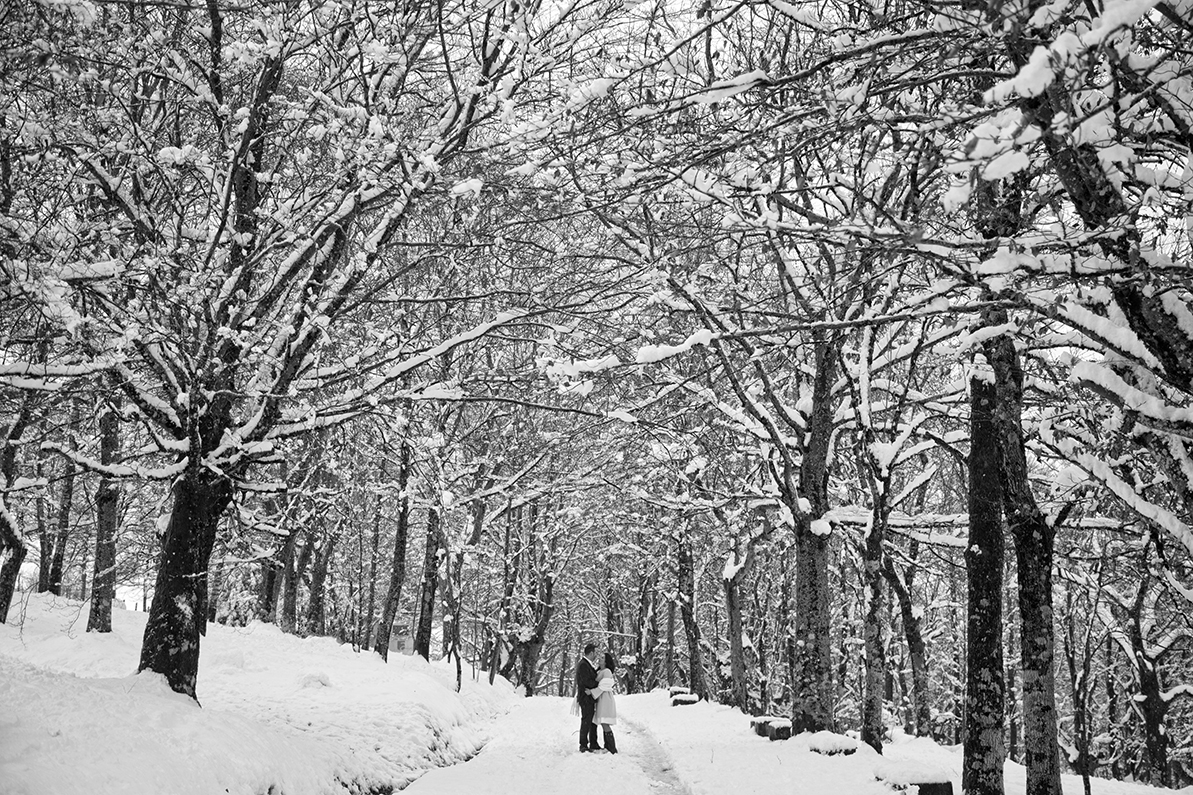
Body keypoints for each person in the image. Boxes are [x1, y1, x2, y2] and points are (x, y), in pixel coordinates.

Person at [572, 642, 601, 752]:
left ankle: (591, 743)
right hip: (586, 698)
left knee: (589, 720)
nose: (596, 656)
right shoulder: (583, 664)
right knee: (586, 721)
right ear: (591, 653)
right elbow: (586, 681)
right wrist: (598, 684)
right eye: (595, 653)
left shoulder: (586, 664)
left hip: (589, 697)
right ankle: (583, 745)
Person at [595, 651, 619, 754]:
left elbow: (604, 686)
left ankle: (612, 748)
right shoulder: (600, 671)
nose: (600, 659)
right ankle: (608, 746)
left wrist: (591, 692)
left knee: (605, 722)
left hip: (605, 698)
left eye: (602, 658)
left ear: (606, 661)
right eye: (600, 657)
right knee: (603, 722)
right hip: (601, 698)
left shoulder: (607, 671)